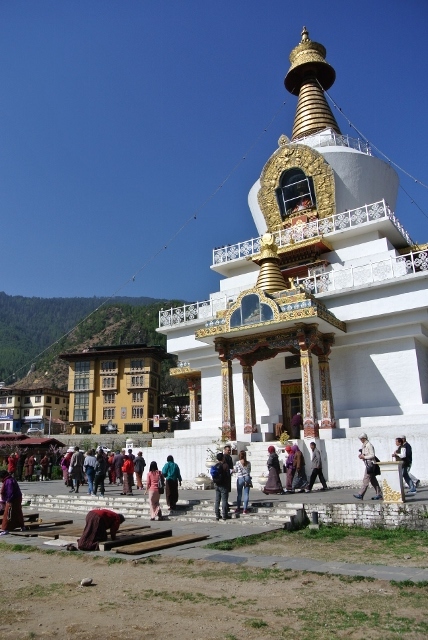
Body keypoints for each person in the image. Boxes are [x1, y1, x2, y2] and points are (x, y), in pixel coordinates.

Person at [353, 433, 382, 501]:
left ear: (364, 438)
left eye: (361, 439)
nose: (361, 440)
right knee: (373, 481)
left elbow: (372, 455)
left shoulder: (369, 445)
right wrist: (362, 456)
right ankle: (379, 494)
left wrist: (364, 457)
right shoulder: (365, 445)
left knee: (366, 479)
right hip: (368, 464)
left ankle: (361, 494)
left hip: (370, 464)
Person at [0, 470, 25, 535]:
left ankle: (6, 529)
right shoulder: (10, 479)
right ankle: (22, 526)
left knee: (8, 513)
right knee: (17, 512)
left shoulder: (9, 481)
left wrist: (9, 501)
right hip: (16, 497)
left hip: (13, 498)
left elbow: (10, 492)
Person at [212, 453, 231, 521]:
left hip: (217, 485)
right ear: (223, 458)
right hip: (224, 485)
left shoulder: (216, 465)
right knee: (224, 500)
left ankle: (217, 515)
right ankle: (224, 515)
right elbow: (228, 475)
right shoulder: (225, 465)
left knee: (217, 500)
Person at [233, 450, 251, 514]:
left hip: (240, 478)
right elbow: (249, 471)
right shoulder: (248, 463)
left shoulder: (237, 463)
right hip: (247, 478)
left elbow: (235, 470)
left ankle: (238, 508)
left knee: (239, 494)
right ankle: (245, 509)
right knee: (246, 494)